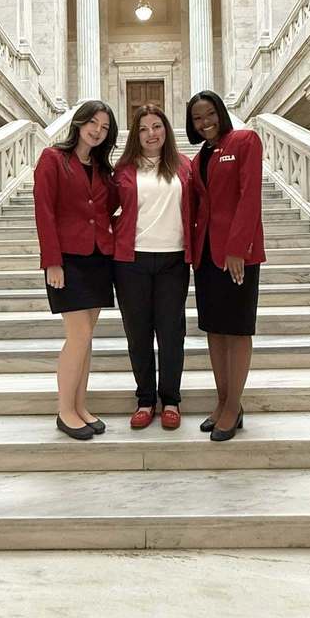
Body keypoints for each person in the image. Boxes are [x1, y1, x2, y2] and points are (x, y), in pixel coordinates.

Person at [33, 100, 118, 440]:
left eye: (106, 128)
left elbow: (108, 209)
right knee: (78, 336)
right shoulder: (53, 159)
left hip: (99, 258)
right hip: (67, 260)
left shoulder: (101, 168)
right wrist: (52, 260)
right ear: (80, 122)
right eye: (94, 123)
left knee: (86, 340)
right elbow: (44, 211)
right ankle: (64, 410)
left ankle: (80, 406)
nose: (98, 131)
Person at [187, 90, 265, 442]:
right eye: (197, 119)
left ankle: (234, 406)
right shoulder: (199, 155)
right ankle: (222, 402)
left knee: (237, 329)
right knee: (215, 330)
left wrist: (238, 249)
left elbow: (250, 197)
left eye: (209, 115)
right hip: (205, 255)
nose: (204, 123)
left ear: (220, 111)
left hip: (236, 255)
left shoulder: (245, 140)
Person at [113, 105, 192, 431]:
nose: (151, 134)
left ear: (166, 130)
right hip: (131, 262)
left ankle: (170, 399)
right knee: (139, 334)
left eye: (156, 126)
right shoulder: (123, 170)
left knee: (172, 333)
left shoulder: (184, 166)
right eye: (143, 129)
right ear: (136, 134)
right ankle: (145, 400)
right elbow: (105, 209)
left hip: (173, 259)